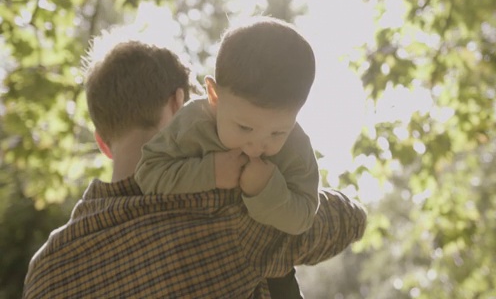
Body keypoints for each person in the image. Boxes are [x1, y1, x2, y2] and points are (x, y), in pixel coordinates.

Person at [22, 32, 367, 298]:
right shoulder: (227, 212)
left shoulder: (46, 269)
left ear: (102, 142)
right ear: (179, 105)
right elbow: (343, 221)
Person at [135, 16, 319, 236]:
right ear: (214, 95)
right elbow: (147, 174)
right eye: (244, 128)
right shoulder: (193, 122)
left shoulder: (296, 146)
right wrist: (210, 171)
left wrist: (265, 189)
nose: (255, 147)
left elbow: (305, 216)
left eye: (277, 133)